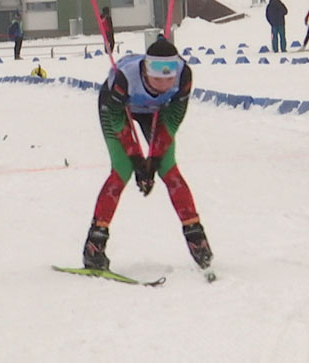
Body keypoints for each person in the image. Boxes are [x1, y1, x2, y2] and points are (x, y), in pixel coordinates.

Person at [81, 38, 213, 273]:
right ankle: (95, 244)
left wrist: (154, 159)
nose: (163, 84)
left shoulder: (183, 77)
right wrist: (136, 159)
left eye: (168, 78)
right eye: (156, 78)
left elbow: (171, 121)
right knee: (122, 169)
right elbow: (118, 122)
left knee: (168, 169)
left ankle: (196, 237)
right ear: (144, 70)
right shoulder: (124, 78)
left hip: (157, 113)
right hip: (118, 110)